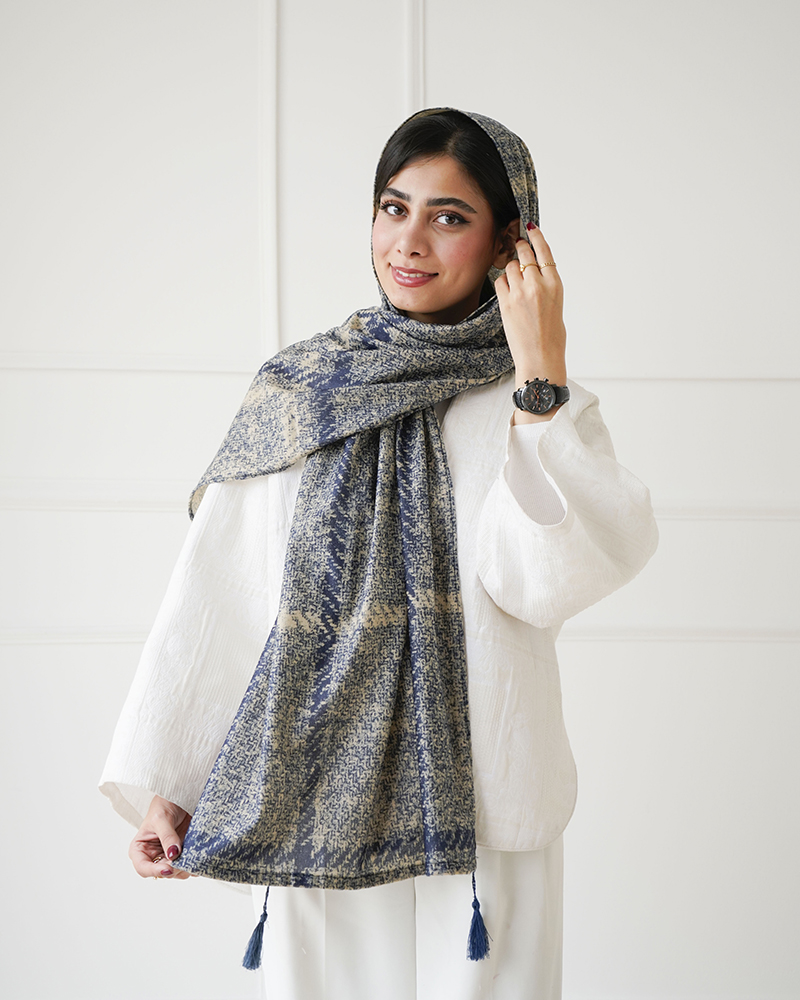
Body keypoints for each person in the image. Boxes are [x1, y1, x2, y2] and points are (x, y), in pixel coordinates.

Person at [100, 108, 658, 1000]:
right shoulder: (299, 392)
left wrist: (540, 378)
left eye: (449, 217)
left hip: (480, 816)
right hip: (309, 794)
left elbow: (544, 584)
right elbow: (225, 593)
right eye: (394, 208)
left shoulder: (541, 406)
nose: (410, 241)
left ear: (511, 242)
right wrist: (173, 780)